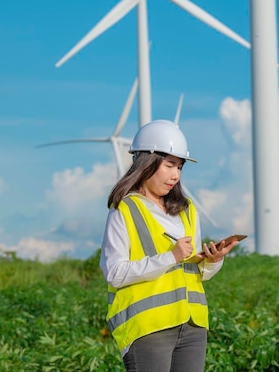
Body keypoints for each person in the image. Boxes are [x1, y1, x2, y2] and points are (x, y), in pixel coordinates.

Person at [100, 119, 238, 372]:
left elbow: (193, 273)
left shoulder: (187, 210)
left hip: (193, 325)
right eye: (169, 165)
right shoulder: (125, 209)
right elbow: (115, 273)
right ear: (147, 162)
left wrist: (213, 260)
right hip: (149, 327)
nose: (175, 175)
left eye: (180, 167)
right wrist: (170, 257)